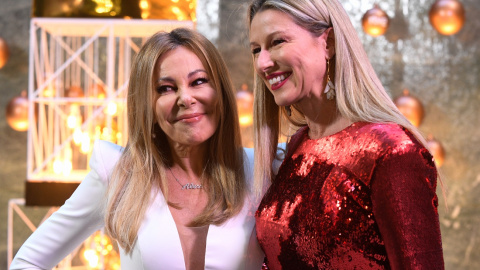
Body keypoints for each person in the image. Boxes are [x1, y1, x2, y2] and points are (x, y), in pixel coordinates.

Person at [10, 28, 265, 269]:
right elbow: (27, 262)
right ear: (148, 107)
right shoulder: (119, 173)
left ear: (220, 92)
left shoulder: (262, 171)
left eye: (198, 81)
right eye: (166, 88)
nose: (185, 98)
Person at [247, 0, 445, 269]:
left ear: (327, 44)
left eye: (277, 42)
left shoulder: (389, 149)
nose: (263, 62)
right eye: (256, 50)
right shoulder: (297, 146)